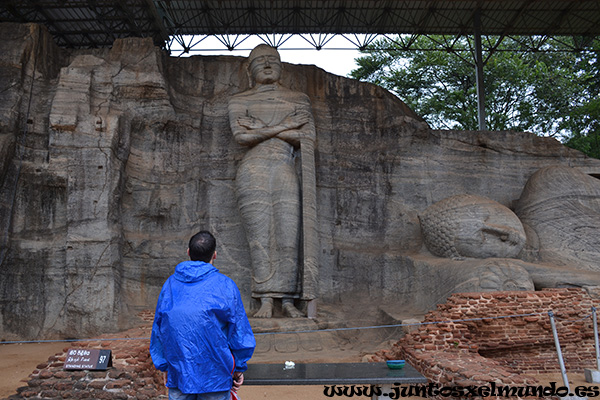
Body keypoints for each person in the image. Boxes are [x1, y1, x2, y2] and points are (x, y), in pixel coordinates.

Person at [228, 44, 316, 318]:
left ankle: (288, 299)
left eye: (272, 60)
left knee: (289, 233)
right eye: (260, 61)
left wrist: (260, 129)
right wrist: (286, 125)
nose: (267, 65)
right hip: (253, 170)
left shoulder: (298, 98)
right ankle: (265, 298)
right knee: (259, 235)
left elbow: (307, 138)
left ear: (281, 67)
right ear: (249, 70)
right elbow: (241, 138)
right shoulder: (239, 100)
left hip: (284, 167)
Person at [150, 230, 256, 400]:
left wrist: (164, 366)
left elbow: (159, 329)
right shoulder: (225, 286)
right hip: (215, 374)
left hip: (179, 372)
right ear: (215, 255)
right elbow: (239, 331)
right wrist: (238, 368)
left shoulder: (170, 285)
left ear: (188, 253)